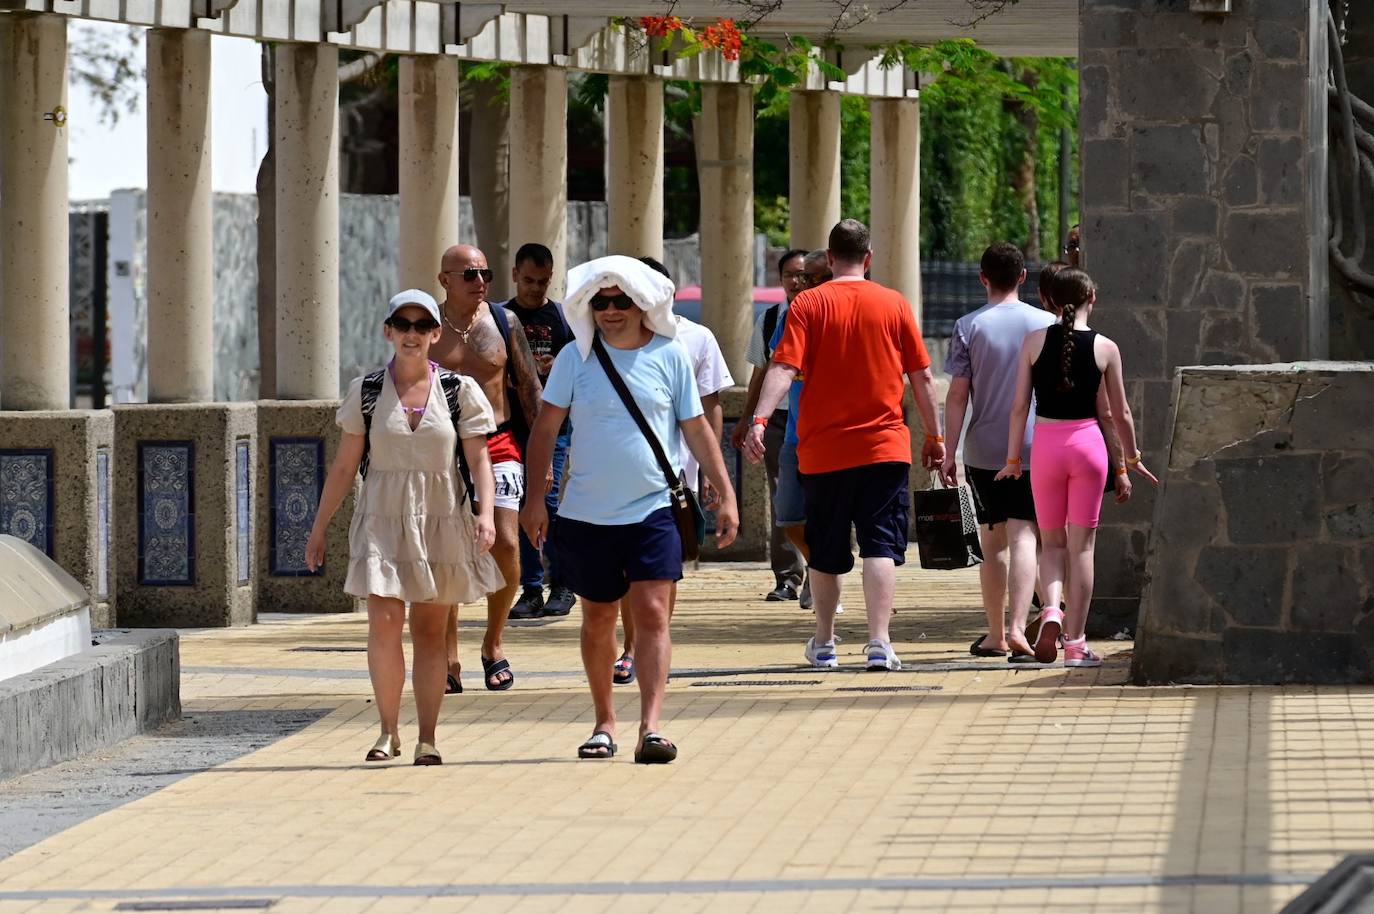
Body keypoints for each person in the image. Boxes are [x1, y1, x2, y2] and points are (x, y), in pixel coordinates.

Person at [521, 255, 739, 764]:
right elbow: (545, 429)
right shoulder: (576, 360)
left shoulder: (669, 355)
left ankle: (651, 726)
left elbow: (697, 429)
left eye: (622, 301)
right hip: (586, 512)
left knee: (652, 614)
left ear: (644, 305)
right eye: (601, 302)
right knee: (598, 618)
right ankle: (604, 722)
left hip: (654, 508)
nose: (611, 311)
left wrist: (725, 492)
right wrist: (535, 500)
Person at [305, 289, 501, 766]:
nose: (412, 334)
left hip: (440, 519)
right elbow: (345, 466)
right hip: (382, 520)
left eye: (422, 325)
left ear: (435, 333)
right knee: (385, 623)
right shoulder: (367, 391)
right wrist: (318, 528)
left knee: (430, 631)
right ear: (388, 330)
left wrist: (487, 513)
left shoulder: (459, 391)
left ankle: (427, 736)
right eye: (403, 324)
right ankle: (388, 730)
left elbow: (479, 458)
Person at [744, 220, 943, 671]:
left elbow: (781, 368)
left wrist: (758, 419)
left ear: (830, 259)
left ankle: (825, 641)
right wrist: (935, 436)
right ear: (868, 258)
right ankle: (879, 642)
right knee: (880, 545)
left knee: (828, 549)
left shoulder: (808, 304)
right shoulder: (894, 304)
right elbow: (923, 376)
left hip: (823, 452)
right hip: (884, 449)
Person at [996, 268, 1158, 666]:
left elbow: (1019, 407)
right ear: (1093, 299)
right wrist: (1131, 458)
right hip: (1088, 448)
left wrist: (1013, 459)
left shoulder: (1033, 343)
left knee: (1051, 544)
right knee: (1082, 547)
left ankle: (1051, 608)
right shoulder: (1106, 348)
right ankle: (1075, 644)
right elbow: (1119, 412)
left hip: (1046, 447)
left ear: (1050, 301)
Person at [611, 255, 734, 686]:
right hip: (619, 473)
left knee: (662, 567)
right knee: (627, 568)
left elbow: (709, 408)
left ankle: (647, 641)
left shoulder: (696, 340)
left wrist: (709, 476)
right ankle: (632, 644)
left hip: (674, 473)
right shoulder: (608, 341)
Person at [430, 244, 544, 692]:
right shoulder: (427, 323)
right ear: (445, 280)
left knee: (507, 544)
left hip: (498, 441)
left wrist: (544, 460)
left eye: (486, 274)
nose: (479, 282)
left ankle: (494, 643)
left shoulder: (504, 321)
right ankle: (448, 656)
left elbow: (530, 388)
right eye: (469, 274)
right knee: (447, 552)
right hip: (442, 445)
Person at [940, 243, 1055, 662]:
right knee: (1027, 535)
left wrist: (947, 451)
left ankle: (995, 634)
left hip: (984, 448)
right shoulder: (1047, 323)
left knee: (993, 542)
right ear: (1024, 277)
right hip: (1036, 445)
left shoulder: (968, 326)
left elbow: (956, 395)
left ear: (982, 278)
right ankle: (1022, 625)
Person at [502, 242, 578, 621]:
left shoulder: (562, 321)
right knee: (519, 504)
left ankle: (563, 583)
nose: (536, 288)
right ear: (515, 274)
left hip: (555, 428)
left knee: (548, 502)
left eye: (543, 281)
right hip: (511, 428)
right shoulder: (501, 319)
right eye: (529, 280)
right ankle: (531, 588)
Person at [765, 249, 842, 615]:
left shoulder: (851, 314)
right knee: (788, 515)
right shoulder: (791, 317)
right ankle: (819, 566)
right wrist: (758, 418)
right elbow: (776, 367)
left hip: (840, 437)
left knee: (829, 517)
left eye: (812, 278)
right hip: (796, 435)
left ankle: (825, 577)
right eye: (797, 277)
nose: (802, 285)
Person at [732, 249, 809, 603]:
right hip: (777, 419)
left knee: (818, 499)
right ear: (780, 280)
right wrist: (748, 419)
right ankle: (788, 576)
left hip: (816, 419)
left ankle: (819, 573)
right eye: (789, 274)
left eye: (803, 274)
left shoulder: (825, 317)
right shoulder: (769, 320)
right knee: (783, 498)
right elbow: (760, 373)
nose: (796, 281)